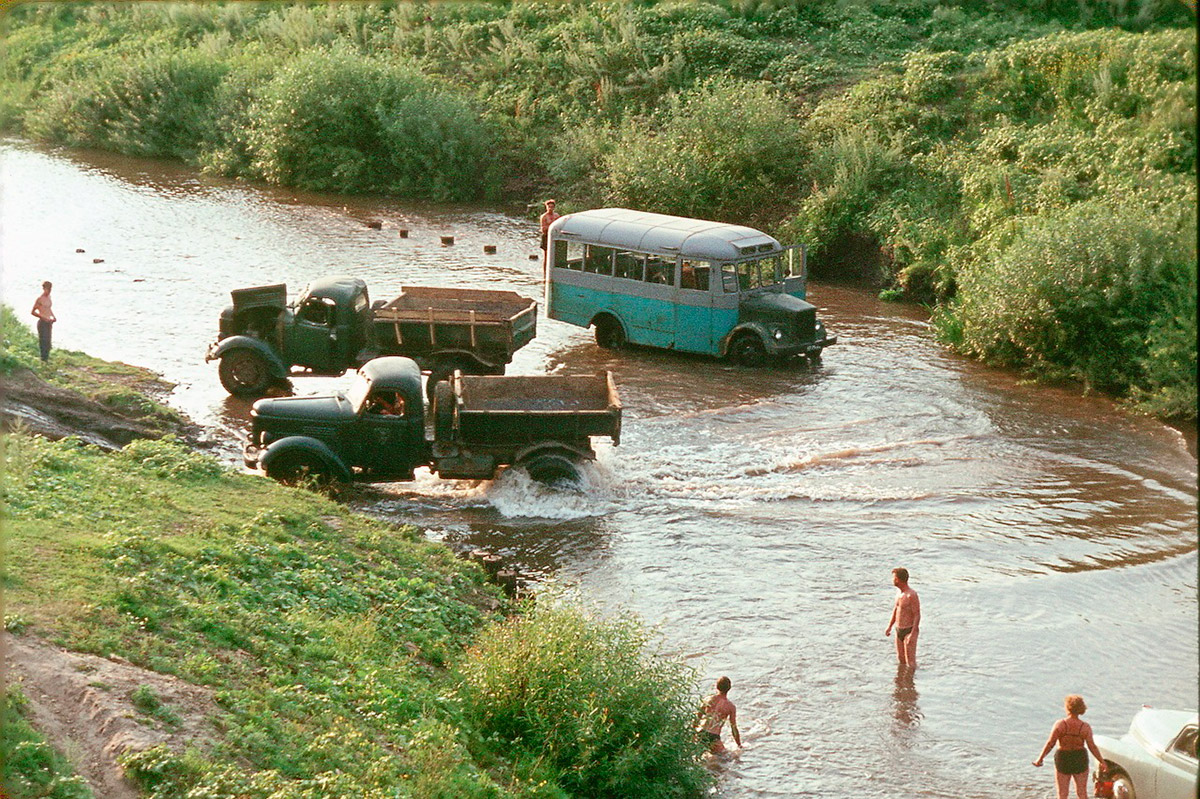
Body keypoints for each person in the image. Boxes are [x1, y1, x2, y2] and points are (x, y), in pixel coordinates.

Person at [1033, 694, 1106, 799]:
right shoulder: (1085, 727)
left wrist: (1040, 758)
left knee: (1062, 794)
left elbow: (1050, 743)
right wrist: (1101, 761)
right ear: (1081, 709)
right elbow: (1092, 746)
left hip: (1063, 757)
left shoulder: (1060, 724)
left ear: (1067, 707)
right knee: (1082, 793)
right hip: (1079, 757)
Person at [884, 567, 920, 668]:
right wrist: (890, 626)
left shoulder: (911, 595)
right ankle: (901, 682)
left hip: (909, 629)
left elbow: (917, 614)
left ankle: (911, 683)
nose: (893, 580)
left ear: (899, 579)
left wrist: (913, 633)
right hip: (898, 629)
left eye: (894, 578)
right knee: (901, 659)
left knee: (910, 662)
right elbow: (896, 610)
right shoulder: (898, 594)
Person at [696, 676, 741, 754]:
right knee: (724, 758)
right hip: (713, 737)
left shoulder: (708, 699)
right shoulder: (730, 706)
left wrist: (693, 733)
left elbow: (697, 717)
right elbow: (733, 728)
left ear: (716, 686)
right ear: (729, 688)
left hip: (701, 732)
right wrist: (739, 745)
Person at [30, 281, 56, 362]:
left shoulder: (49, 298)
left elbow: (48, 309)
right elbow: (33, 312)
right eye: (48, 289)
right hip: (42, 322)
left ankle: (46, 359)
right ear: (44, 289)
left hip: (49, 321)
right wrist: (43, 317)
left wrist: (54, 316)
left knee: (48, 341)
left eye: (50, 289)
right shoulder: (40, 299)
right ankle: (43, 359)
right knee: (43, 341)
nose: (49, 291)